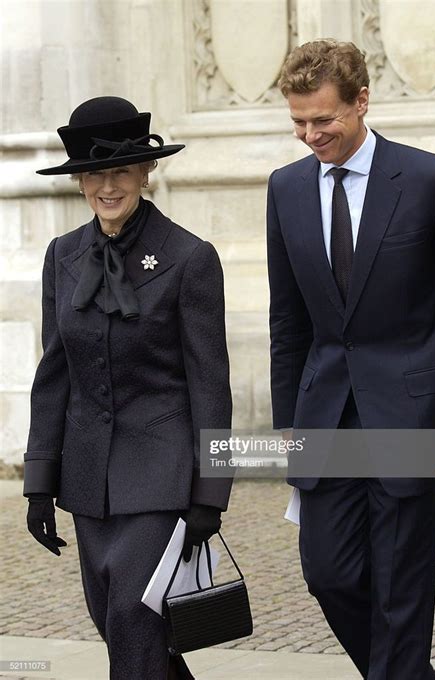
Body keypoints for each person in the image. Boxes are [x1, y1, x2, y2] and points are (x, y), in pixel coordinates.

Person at [267, 40, 435, 680]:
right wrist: (286, 432)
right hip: (324, 418)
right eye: (299, 122)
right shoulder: (286, 188)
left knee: (400, 593)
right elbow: (288, 320)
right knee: (328, 573)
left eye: (323, 120)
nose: (310, 135)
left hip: (416, 418)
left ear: (362, 101)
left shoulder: (433, 180)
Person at [23, 96, 233, 680]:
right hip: (89, 481)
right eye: (94, 174)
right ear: (80, 181)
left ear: (146, 171)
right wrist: (41, 483)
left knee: (134, 620)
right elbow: (54, 374)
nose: (107, 186)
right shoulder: (62, 257)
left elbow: (211, 385)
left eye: (120, 171)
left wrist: (209, 493)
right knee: (122, 627)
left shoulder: (191, 258)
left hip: (163, 478)